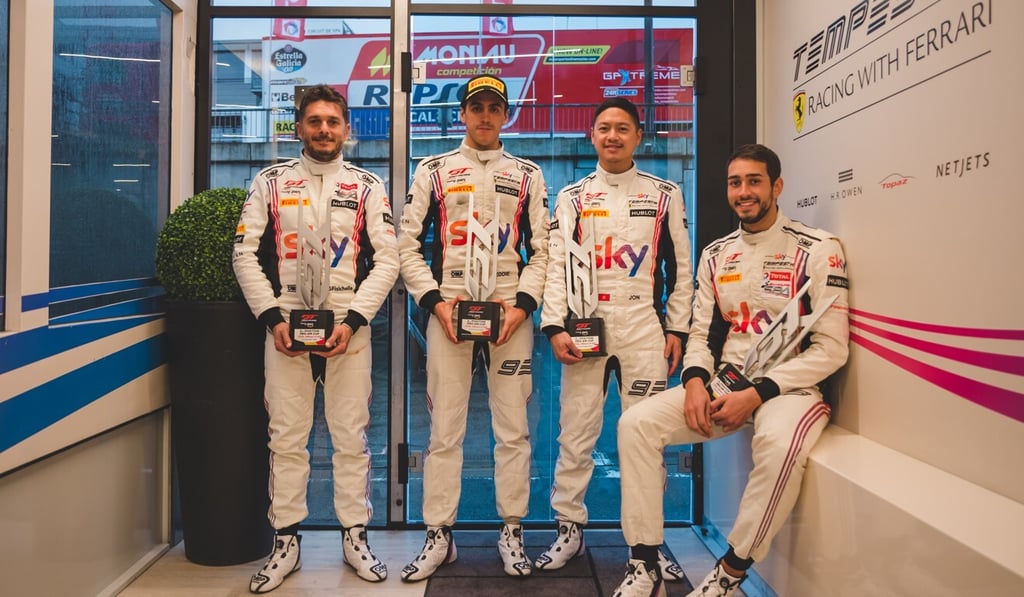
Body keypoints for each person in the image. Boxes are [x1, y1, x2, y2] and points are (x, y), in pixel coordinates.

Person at [612, 143, 850, 597]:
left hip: (791, 390)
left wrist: (759, 392)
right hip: (726, 383)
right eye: (735, 182)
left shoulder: (819, 249)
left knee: (780, 445)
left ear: (776, 186)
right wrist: (696, 382)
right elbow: (701, 335)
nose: (744, 192)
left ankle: (731, 571)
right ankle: (644, 564)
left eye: (754, 181)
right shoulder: (717, 254)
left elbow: (831, 350)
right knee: (635, 423)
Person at [232, 84, 399, 593]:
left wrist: (353, 321)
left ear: (346, 129)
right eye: (314, 121)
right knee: (286, 438)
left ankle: (355, 537)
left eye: (333, 121)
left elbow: (389, 259)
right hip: (285, 323)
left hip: (348, 323)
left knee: (352, 438)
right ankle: (287, 542)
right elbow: (244, 254)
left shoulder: (368, 185)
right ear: (299, 127)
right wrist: (271, 318)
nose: (324, 129)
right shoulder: (269, 182)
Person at [397, 74, 550, 581]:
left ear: (506, 115)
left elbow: (543, 252)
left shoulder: (527, 174)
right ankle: (439, 534)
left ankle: (512, 530)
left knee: (514, 430)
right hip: (450, 310)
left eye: (494, 107)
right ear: (462, 114)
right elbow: (406, 246)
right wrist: (436, 303)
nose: (485, 116)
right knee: (444, 431)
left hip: (510, 313)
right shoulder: (434, 170)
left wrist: (523, 306)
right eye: (476, 106)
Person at [535, 97, 693, 582]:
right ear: (591, 136)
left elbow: (681, 269)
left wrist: (678, 328)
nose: (613, 137)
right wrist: (555, 326)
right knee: (575, 432)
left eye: (622, 128)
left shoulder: (665, 193)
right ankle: (569, 527)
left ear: (638, 136)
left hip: (643, 329)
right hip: (586, 328)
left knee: (646, 438)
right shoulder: (573, 197)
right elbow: (557, 268)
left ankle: (649, 539)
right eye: (604, 128)